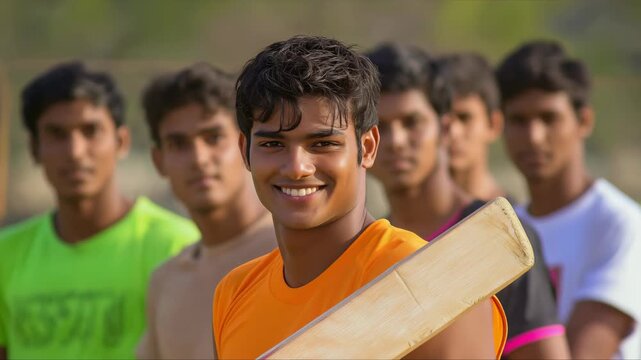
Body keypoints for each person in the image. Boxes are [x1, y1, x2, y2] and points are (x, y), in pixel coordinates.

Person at [212, 35, 506, 359]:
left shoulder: (433, 284)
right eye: (273, 144)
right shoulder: (234, 293)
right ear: (245, 151)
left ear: (367, 148)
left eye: (322, 144)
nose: (297, 167)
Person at [365, 43, 570, 359]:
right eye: (381, 126)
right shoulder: (370, 249)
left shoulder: (498, 237)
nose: (397, 141)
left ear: (444, 128)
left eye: (411, 122)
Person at [0, 62, 199, 359]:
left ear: (121, 142)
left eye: (90, 131)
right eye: (57, 134)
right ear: (34, 149)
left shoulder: (177, 247)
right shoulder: (7, 254)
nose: (75, 151)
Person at [497, 40, 641, 359]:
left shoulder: (622, 225)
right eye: (519, 120)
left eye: (549, 118)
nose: (534, 136)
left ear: (584, 121)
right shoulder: (505, 232)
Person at [136, 63, 275, 359]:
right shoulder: (166, 281)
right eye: (178, 144)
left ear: (245, 144)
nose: (199, 159)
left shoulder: (294, 251)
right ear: (159, 160)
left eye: (213, 138)